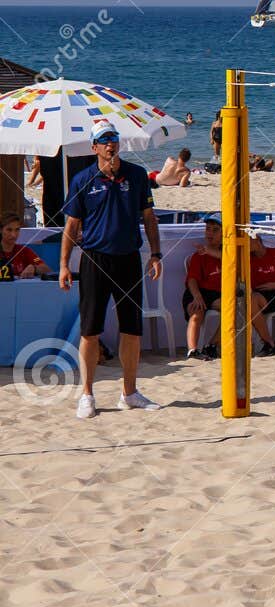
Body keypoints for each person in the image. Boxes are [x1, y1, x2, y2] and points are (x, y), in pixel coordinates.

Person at [58, 119, 163, 419]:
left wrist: (155, 254)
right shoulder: (82, 180)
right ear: (94, 147)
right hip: (94, 260)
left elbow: (149, 218)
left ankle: (129, 392)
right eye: (104, 140)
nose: (110, 144)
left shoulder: (137, 175)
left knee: (132, 329)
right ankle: (87, 394)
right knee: (90, 330)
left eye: (113, 138)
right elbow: (71, 226)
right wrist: (65, 264)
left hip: (129, 258)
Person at [182, 215, 224, 360]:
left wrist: (209, 251)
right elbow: (192, 279)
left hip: (217, 295)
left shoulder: (229, 253)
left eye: (215, 230)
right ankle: (193, 350)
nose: (210, 233)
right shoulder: (199, 256)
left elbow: (230, 258)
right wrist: (197, 296)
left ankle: (212, 345)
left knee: (234, 309)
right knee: (196, 313)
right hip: (198, 292)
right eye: (207, 229)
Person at [1, 211, 51, 279]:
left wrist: (34, 268)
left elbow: (46, 269)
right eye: (9, 230)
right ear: (1, 230)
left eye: (17, 230)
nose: (13, 234)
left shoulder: (24, 251)